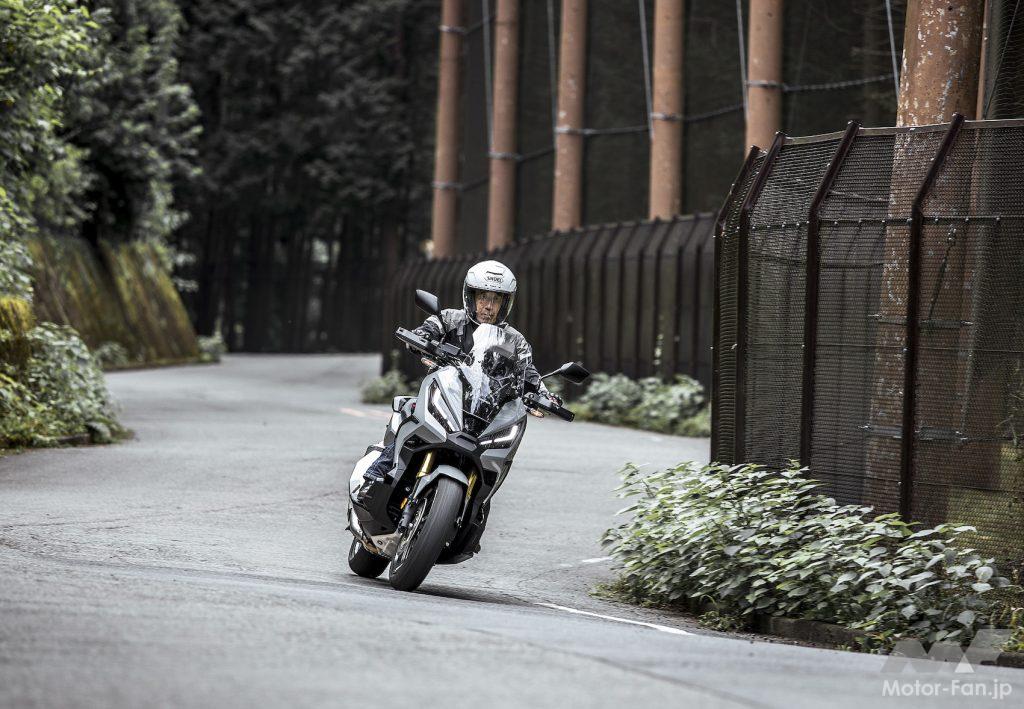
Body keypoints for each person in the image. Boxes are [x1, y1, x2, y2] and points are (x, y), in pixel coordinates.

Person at [364, 260, 558, 482]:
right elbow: (426, 330)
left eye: (496, 299)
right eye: (483, 297)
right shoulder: (449, 318)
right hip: (444, 398)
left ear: (506, 303)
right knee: (413, 415)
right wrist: (422, 338)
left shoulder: (515, 340)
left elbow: (528, 371)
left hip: (485, 412)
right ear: (470, 296)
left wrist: (543, 394)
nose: (488, 306)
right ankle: (380, 469)